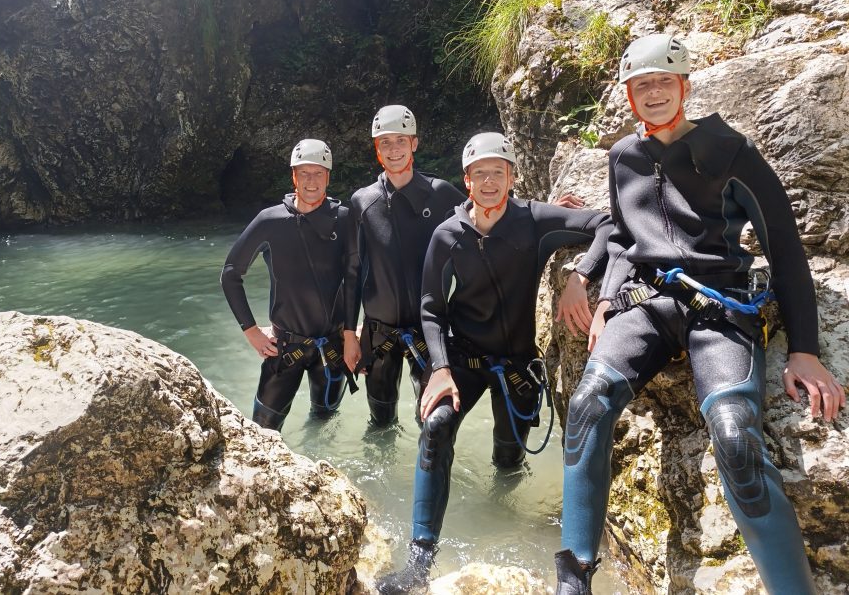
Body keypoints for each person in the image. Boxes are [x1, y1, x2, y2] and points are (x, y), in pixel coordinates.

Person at [556, 34, 846, 595]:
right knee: (588, 404)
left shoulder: (733, 153)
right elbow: (622, 237)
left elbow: (785, 250)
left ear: (685, 86)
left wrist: (804, 350)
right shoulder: (623, 157)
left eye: (664, 81)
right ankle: (574, 579)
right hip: (647, 302)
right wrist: (607, 298)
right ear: (629, 94)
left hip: (719, 304)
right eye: (642, 85)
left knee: (735, 437)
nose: (654, 92)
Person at [377, 132, 612, 594]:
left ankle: (502, 513)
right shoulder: (448, 234)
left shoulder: (535, 220)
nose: (489, 182)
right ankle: (419, 561)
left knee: (509, 459)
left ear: (512, 177)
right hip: (462, 357)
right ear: (466, 180)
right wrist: (439, 369)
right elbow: (430, 307)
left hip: (517, 365)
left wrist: (579, 276)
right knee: (436, 426)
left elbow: (605, 223)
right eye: (479, 173)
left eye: (498, 172)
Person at [220, 138, 360, 432]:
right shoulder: (270, 221)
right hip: (284, 348)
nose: (311, 181)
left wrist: (351, 334)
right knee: (263, 432)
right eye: (304, 173)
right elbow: (231, 273)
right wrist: (251, 331)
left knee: (323, 427)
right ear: (294, 176)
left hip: (331, 348)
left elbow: (354, 278)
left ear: (328, 177)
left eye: (318, 173)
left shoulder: (344, 219)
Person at [345, 105, 465, 428]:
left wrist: (537, 208)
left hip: (428, 331)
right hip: (379, 334)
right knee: (379, 423)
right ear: (377, 149)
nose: (394, 149)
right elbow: (352, 270)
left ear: (414, 143)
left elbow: (486, 214)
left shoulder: (440, 194)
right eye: (385, 142)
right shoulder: (362, 201)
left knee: (431, 423)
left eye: (401, 140)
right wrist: (349, 334)